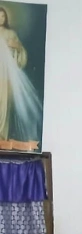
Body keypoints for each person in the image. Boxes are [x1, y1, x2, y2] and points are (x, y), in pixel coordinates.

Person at [0, 7, 43, 145]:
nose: (0, 19)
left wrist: (16, 47)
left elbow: (21, 52)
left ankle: (3, 137)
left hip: (6, 74)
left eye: (2, 16)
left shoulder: (10, 33)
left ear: (6, 18)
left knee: (4, 104)